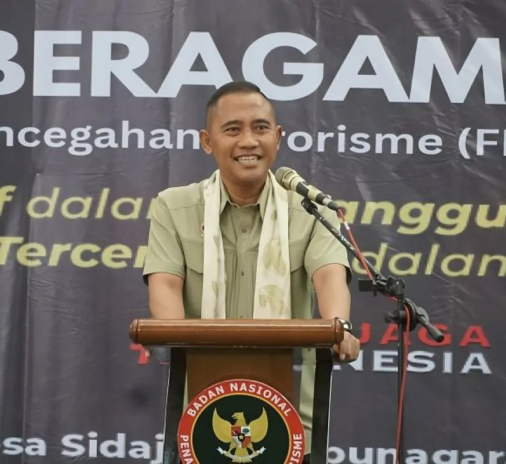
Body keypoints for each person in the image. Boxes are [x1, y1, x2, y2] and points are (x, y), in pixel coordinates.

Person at [142, 80, 360, 464]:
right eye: (232, 129)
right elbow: (165, 288)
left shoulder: (311, 210)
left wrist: (339, 326)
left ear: (277, 137)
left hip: (290, 416)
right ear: (207, 141)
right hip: (201, 411)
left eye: (260, 128)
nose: (248, 141)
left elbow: (330, 277)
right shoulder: (173, 208)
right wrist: (172, 332)